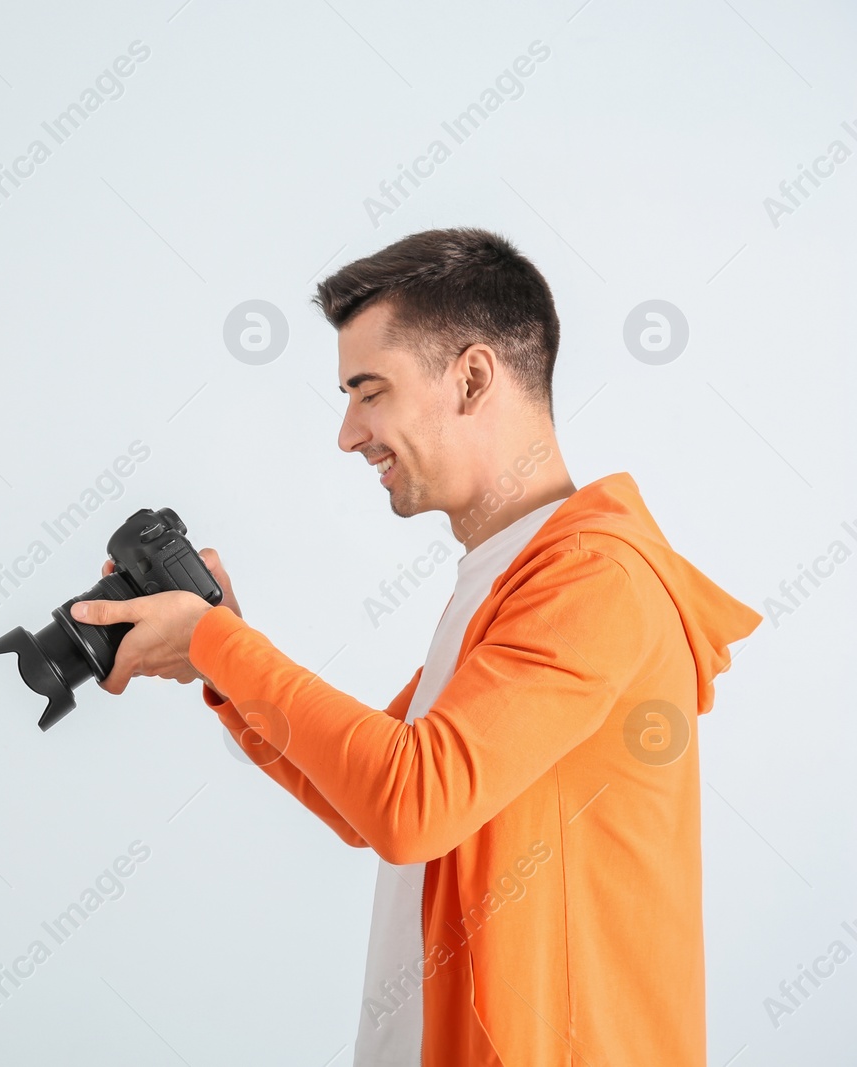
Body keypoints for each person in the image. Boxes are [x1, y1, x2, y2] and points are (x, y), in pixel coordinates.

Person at [71, 228, 761, 1067]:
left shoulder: (593, 580)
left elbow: (411, 802)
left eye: (369, 392)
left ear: (471, 377)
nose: (347, 433)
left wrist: (216, 641)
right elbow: (362, 799)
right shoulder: (510, 575)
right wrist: (222, 654)